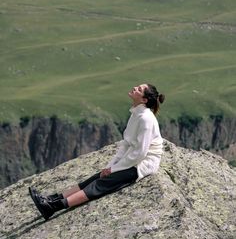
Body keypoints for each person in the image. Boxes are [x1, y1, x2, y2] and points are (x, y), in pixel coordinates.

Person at [29, 83, 165, 220]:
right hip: (134, 158)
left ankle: (53, 207)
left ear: (144, 100)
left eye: (139, 89)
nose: (135, 88)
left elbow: (140, 153)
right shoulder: (136, 113)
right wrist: (110, 166)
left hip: (143, 163)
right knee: (96, 177)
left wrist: (115, 169)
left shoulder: (146, 119)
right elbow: (126, 144)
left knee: (99, 185)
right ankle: (52, 199)